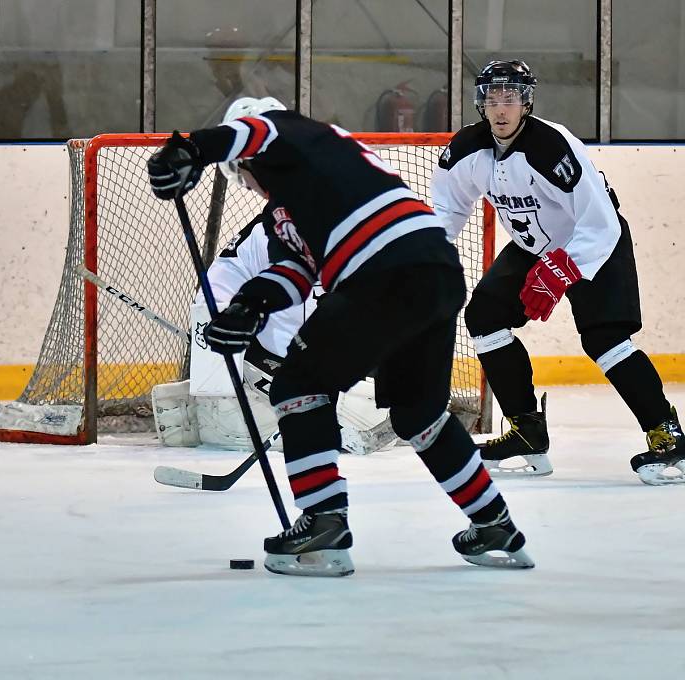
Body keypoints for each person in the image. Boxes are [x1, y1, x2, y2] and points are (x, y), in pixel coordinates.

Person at [147, 96, 534, 576]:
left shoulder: (299, 136)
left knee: (297, 386)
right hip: (433, 272)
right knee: (418, 413)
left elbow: (260, 131)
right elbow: (296, 270)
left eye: (241, 174)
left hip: (383, 273)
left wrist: (190, 148)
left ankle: (323, 522)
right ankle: (493, 523)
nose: (247, 184)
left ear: (246, 159)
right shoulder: (297, 202)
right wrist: (249, 308)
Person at [431, 60, 684, 485]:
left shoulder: (552, 146)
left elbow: (599, 219)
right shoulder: (467, 150)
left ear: (526, 101)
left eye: (509, 97)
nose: (500, 108)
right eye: (492, 98)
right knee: (485, 317)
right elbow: (448, 208)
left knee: (605, 340)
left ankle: (667, 434)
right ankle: (527, 432)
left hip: (592, 242)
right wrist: (426, 256)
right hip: (533, 247)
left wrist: (564, 269)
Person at [152, 206, 396, 455]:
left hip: (352, 374)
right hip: (271, 366)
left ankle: (239, 418)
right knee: (227, 418)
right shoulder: (263, 233)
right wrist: (223, 331)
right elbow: (214, 293)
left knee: (367, 407)